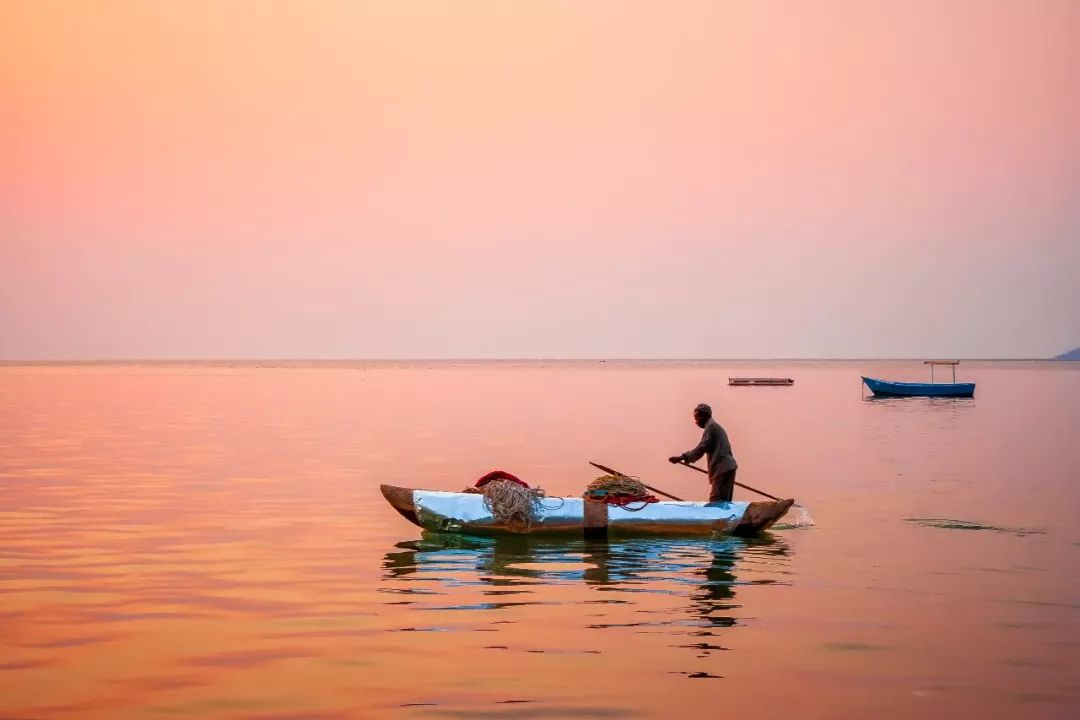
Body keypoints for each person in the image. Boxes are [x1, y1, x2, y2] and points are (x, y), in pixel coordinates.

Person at [668, 403, 738, 503]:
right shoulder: (713, 427)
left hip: (723, 468)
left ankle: (717, 518)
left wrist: (682, 457)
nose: (696, 422)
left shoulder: (711, 427)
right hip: (727, 467)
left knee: (716, 500)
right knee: (723, 501)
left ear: (705, 416)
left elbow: (703, 447)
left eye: (697, 418)